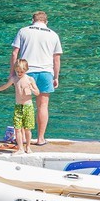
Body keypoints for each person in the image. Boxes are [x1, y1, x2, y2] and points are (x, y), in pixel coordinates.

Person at [10, 11, 63, 146]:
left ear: (32, 20)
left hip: (26, 72)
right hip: (46, 72)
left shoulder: (23, 31)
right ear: (46, 21)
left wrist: (12, 74)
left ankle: (21, 139)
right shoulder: (53, 34)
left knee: (23, 105)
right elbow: (56, 59)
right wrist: (56, 77)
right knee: (43, 105)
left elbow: (15, 53)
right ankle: (40, 138)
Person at [0, 60, 37, 154]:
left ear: (26, 70)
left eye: (21, 72)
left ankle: (28, 147)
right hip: (18, 106)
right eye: (17, 71)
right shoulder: (14, 79)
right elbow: (5, 86)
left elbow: (38, 92)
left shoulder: (30, 79)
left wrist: (32, 89)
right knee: (17, 128)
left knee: (27, 128)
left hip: (28, 106)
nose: (19, 73)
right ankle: (20, 148)